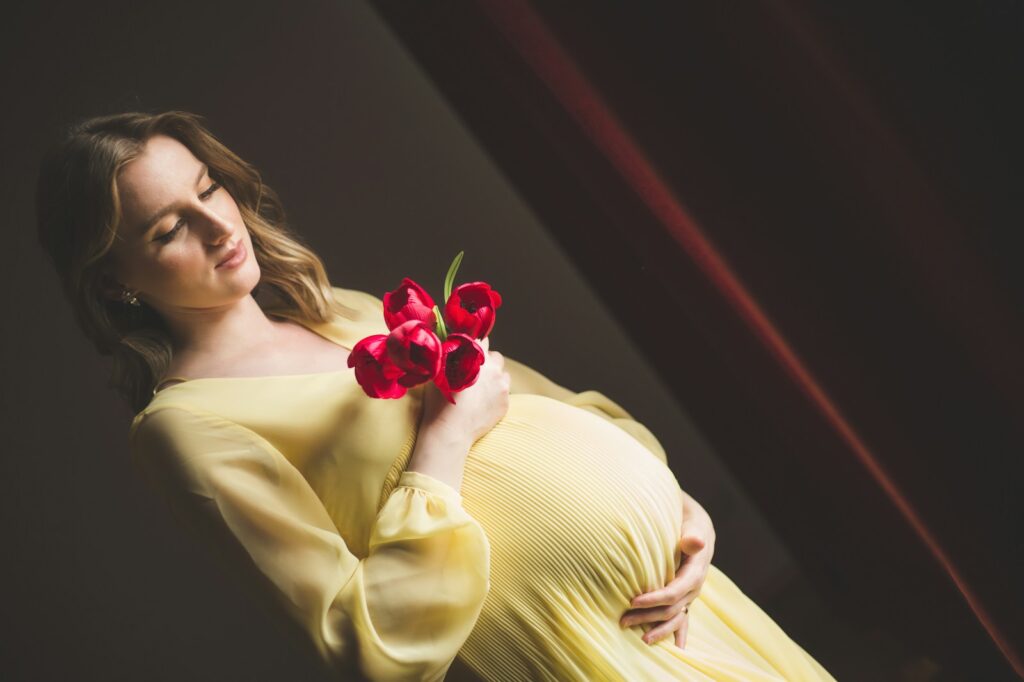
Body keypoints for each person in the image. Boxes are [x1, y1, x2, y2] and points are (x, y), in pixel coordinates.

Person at [35, 110, 837, 681]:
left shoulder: (336, 307)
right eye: (168, 229)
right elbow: (362, 643)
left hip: (682, 595)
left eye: (208, 189)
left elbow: (539, 399)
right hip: (578, 655)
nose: (217, 226)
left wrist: (678, 509)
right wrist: (442, 442)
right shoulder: (183, 429)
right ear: (113, 282)